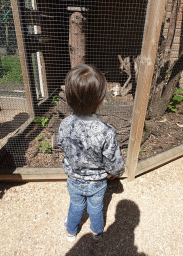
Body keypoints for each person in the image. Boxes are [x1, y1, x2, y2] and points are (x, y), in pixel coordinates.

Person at [57, 64, 125, 242]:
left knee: (76, 205)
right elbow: (115, 163)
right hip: (96, 183)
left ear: (69, 98)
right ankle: (96, 231)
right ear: (101, 99)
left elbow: (61, 144)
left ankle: (71, 231)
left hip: (74, 179)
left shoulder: (64, 124)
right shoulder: (106, 131)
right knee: (95, 208)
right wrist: (115, 173)